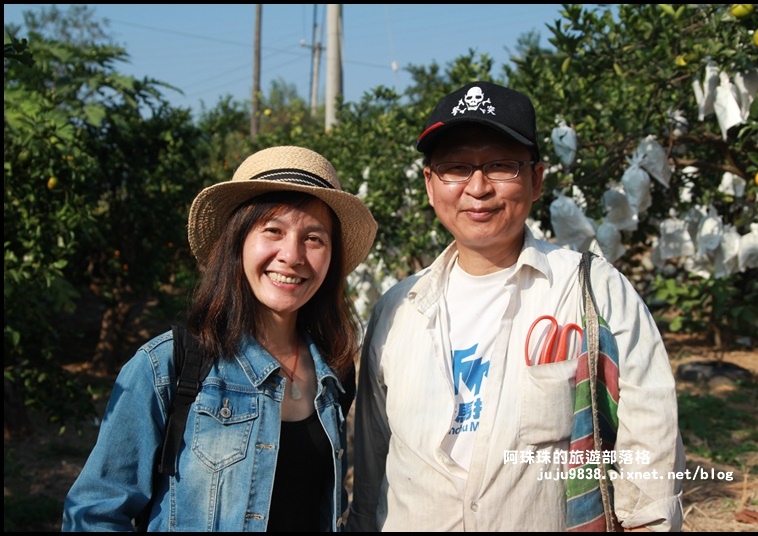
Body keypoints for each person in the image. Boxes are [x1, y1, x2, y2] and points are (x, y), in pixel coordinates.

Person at [347, 81, 685, 532]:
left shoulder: (592, 289)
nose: (478, 188)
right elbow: (373, 464)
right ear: (430, 185)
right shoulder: (397, 308)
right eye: (455, 168)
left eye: (501, 166)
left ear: (536, 179)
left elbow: (651, 448)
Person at [62, 145, 377, 532]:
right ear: (238, 240)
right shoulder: (167, 367)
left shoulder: (334, 374)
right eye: (273, 231)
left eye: (314, 238)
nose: (292, 255)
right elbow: (94, 514)